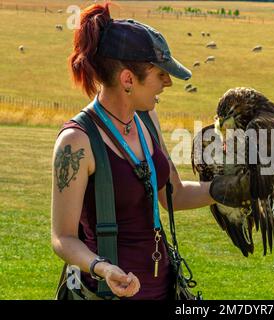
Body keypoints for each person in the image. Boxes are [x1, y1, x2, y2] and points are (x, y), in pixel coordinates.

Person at [51, 2, 247, 300]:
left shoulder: (147, 119)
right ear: (128, 79)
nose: (167, 82)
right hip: (110, 292)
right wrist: (102, 268)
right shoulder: (76, 142)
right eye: (160, 74)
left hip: (165, 287)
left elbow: (175, 195)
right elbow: (62, 238)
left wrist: (236, 188)